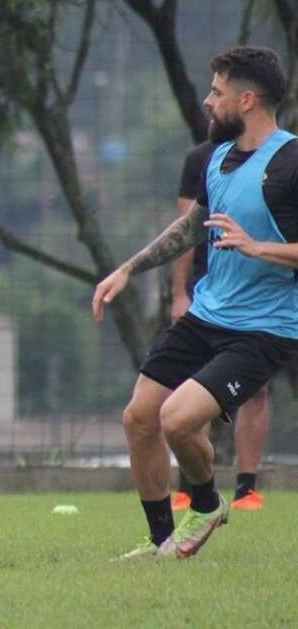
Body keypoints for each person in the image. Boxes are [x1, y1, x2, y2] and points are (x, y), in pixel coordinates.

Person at [93, 45, 298, 560]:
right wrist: (128, 268)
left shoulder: (292, 162)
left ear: (247, 100)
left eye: (217, 91)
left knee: (177, 420)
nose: (208, 101)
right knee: (139, 417)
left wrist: (258, 247)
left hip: (262, 329)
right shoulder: (217, 160)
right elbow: (192, 227)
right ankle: (160, 540)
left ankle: (206, 504)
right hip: (207, 315)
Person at [170, 142, 269, 512]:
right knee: (193, 396)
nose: (211, 102)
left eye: (218, 92)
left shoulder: (281, 159)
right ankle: (192, 489)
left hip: (259, 301)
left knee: (257, 392)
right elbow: (184, 232)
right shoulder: (201, 158)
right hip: (207, 298)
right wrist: (179, 293)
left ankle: (247, 488)